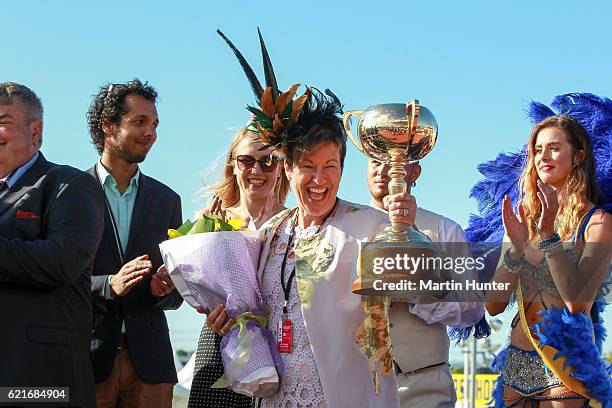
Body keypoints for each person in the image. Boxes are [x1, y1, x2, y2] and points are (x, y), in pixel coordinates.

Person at [476, 105, 612, 407]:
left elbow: (578, 302)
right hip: (515, 372)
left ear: (577, 156)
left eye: (554, 148)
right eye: (538, 150)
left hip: (565, 372)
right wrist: (513, 247)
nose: (543, 157)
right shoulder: (525, 221)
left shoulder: (598, 223)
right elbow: (494, 304)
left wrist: (550, 235)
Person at [0, 82, 104, 408]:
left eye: (2, 119)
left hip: (40, 384)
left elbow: (62, 261)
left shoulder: (69, 185)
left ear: (36, 130)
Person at [86, 79, 183, 408]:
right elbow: (57, 278)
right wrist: (108, 285)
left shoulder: (168, 200)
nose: (150, 132)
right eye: (139, 122)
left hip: (152, 367)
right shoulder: (70, 192)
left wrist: (164, 291)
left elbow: (177, 295)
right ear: (108, 126)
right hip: (88, 360)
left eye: (154, 124)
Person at [367, 159, 484, 407]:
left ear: (415, 171)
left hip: (426, 387)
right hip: (357, 385)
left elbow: (472, 308)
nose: (383, 170)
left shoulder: (445, 230)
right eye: (376, 161)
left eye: (394, 162)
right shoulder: (342, 229)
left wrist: (418, 296)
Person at [188, 128, 289, 408]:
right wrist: (208, 307)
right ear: (233, 165)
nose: (257, 169)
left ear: (281, 166)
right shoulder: (208, 219)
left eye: (268, 160)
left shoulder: (294, 223)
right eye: (247, 160)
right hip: (219, 341)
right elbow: (195, 288)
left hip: (278, 347)